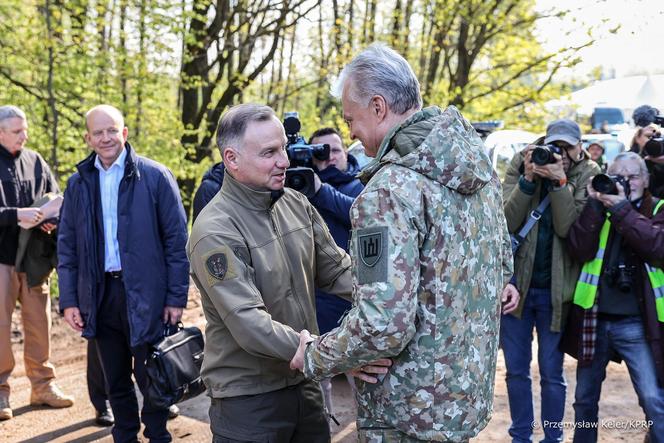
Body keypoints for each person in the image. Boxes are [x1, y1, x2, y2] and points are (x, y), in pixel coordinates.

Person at [290, 43, 518, 442]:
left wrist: (314, 355)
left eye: (351, 119)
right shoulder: (476, 169)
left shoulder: (389, 191)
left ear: (378, 107)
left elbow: (382, 326)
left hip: (406, 414)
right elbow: (501, 268)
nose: (351, 133)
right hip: (460, 403)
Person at [188, 103, 388, 443]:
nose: (284, 160)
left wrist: (394, 292)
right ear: (231, 159)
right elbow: (249, 323)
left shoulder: (296, 203)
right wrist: (331, 355)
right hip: (250, 402)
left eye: (283, 147)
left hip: (304, 388)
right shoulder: (215, 231)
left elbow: (339, 271)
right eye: (269, 153)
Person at [58, 104, 189, 442]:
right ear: (88, 138)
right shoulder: (78, 184)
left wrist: (176, 297)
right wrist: (70, 300)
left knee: (154, 376)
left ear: (124, 133)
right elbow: (67, 246)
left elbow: (177, 242)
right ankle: (125, 435)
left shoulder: (156, 176)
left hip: (148, 294)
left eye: (112, 130)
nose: (106, 138)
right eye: (98, 132)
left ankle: (159, 435)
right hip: (100, 295)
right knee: (115, 378)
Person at [502, 119, 600, 442]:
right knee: (516, 371)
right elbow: (505, 222)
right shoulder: (524, 161)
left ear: (580, 147)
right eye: (554, 145)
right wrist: (528, 181)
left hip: (557, 292)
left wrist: (559, 184)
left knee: (551, 373)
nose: (559, 153)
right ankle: (520, 436)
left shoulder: (588, 174)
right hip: (517, 287)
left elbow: (566, 228)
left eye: (567, 148)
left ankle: (552, 437)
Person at [563, 152, 664, 442]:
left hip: (637, 323)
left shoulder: (657, 208)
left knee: (653, 398)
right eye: (618, 175)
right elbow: (578, 249)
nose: (625, 182)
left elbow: (657, 246)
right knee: (583, 400)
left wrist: (621, 208)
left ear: (645, 181)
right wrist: (596, 203)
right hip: (594, 318)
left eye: (632, 176)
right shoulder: (598, 207)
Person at [0, 105, 73, 421]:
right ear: (0, 132)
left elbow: (54, 196)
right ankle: (1, 393)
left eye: (25, 129)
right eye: (17, 131)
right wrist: (16, 215)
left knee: (39, 324)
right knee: (0, 329)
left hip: (35, 259)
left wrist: (48, 218)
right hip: (0, 259)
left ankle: (43, 386)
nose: (24, 136)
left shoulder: (36, 161)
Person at [308, 127, 363, 418]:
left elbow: (360, 214)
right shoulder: (301, 186)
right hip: (317, 297)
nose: (330, 157)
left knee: (362, 373)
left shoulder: (362, 184)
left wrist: (321, 191)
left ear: (346, 153)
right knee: (321, 374)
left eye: (336, 150)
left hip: (354, 294)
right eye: (321, 152)